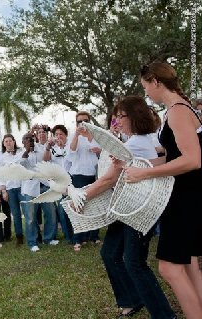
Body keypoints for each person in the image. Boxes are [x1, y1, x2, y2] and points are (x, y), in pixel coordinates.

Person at [81, 96, 175, 319]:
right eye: (117, 116)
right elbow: (164, 156)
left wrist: (80, 198)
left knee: (135, 263)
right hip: (127, 207)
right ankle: (132, 300)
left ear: (135, 116)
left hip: (138, 210)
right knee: (110, 253)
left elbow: (108, 180)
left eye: (122, 116)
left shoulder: (134, 144)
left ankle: (164, 315)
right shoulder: (145, 139)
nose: (118, 120)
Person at [124, 62, 202, 318]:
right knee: (188, 265)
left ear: (155, 81)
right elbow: (173, 156)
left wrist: (144, 173)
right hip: (185, 196)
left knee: (169, 269)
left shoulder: (178, 111)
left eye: (146, 86)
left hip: (185, 199)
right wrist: (138, 165)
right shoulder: (177, 109)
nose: (146, 93)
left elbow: (192, 160)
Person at [66, 111, 101, 251]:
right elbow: (71, 151)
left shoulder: (96, 135)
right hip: (78, 176)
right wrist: (77, 134)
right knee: (78, 207)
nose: (82, 123)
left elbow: (102, 152)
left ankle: (94, 236)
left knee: (93, 206)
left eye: (85, 120)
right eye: (79, 121)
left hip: (93, 175)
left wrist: (98, 150)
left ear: (89, 121)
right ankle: (78, 239)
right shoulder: (73, 136)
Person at [43, 124, 73, 244]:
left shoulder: (71, 146)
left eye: (61, 134)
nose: (59, 136)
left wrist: (63, 148)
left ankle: (78, 233)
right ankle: (68, 235)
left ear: (66, 135)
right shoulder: (52, 148)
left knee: (72, 207)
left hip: (71, 180)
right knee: (62, 209)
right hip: (59, 183)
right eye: (56, 134)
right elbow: (45, 160)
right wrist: (48, 148)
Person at [0, 134, 25, 246]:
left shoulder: (21, 152)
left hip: (23, 186)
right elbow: (1, 175)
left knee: (28, 212)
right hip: (10, 188)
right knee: (15, 214)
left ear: (14, 142)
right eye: (6, 141)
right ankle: (19, 236)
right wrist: (4, 191)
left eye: (10, 141)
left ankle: (34, 235)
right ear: (4, 144)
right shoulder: (2, 157)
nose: (8, 143)